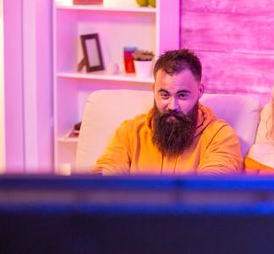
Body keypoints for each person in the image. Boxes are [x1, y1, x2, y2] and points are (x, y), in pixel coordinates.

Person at [94, 49, 243, 175]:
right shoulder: (129, 132)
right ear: (154, 91)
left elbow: (210, 191)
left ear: (200, 91)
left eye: (182, 95)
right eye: (164, 95)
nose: (173, 106)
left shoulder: (221, 136)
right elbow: (105, 175)